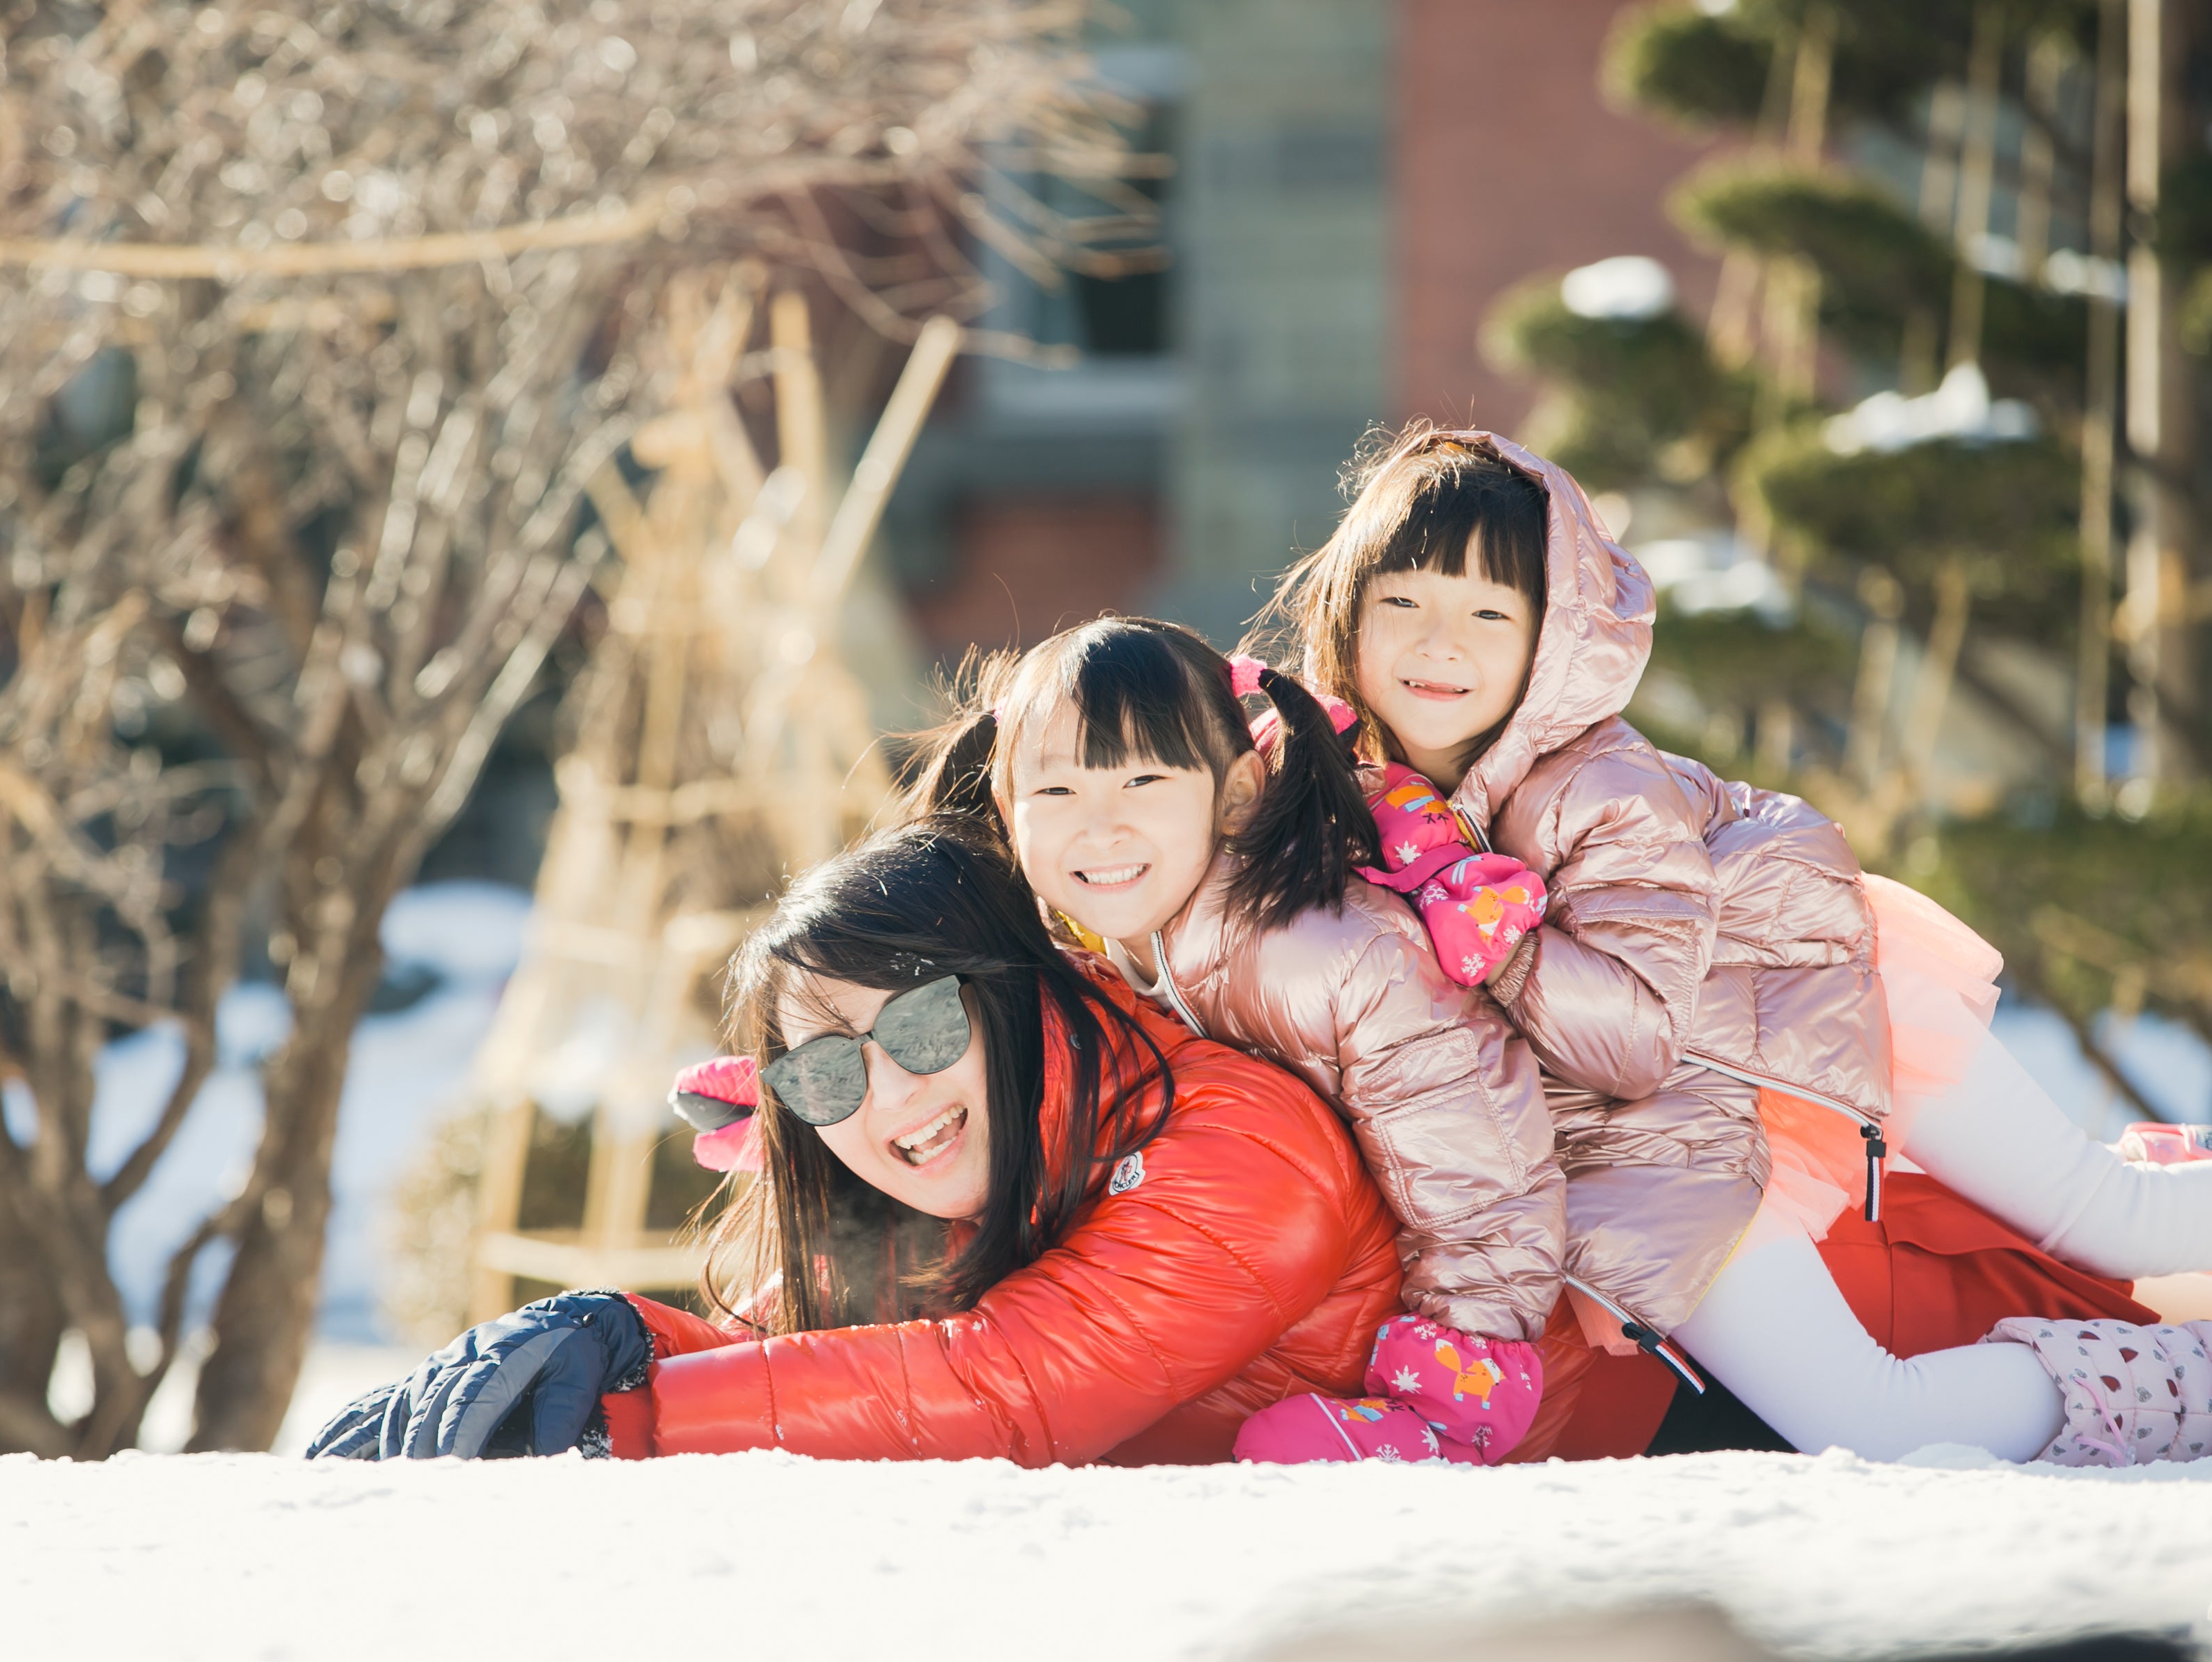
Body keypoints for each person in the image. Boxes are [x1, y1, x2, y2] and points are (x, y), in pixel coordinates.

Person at [1265, 422, 2212, 1465]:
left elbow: (1632, 1035)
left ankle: (2187, 1387)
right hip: (1653, 1142)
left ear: (1551, 640)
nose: (1438, 645)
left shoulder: (1599, 789)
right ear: (1346, 611)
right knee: (1865, 1409)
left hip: (1815, 1009)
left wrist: (1502, 937)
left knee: (2106, 1218)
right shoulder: (1346, 793)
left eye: (1489, 613)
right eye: (1402, 603)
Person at [308, 818, 1419, 1466]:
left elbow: (1003, 1386)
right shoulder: (940, 1194)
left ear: (1019, 992)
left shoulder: (1239, 1151)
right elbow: (828, 1380)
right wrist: (615, 1338)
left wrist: (624, 1417)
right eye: (828, 1072)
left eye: (923, 1024)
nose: (889, 1099)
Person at [905, 615, 1560, 1461]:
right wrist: (821, 1089)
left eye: (1143, 782)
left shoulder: (1326, 954)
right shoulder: (1087, 944)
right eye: (1058, 793)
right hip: (1275, 1317)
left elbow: (1480, 1166)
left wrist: (1448, 1396)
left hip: (1473, 1349)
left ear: (1238, 794)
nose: (1098, 828)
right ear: (1009, 809)